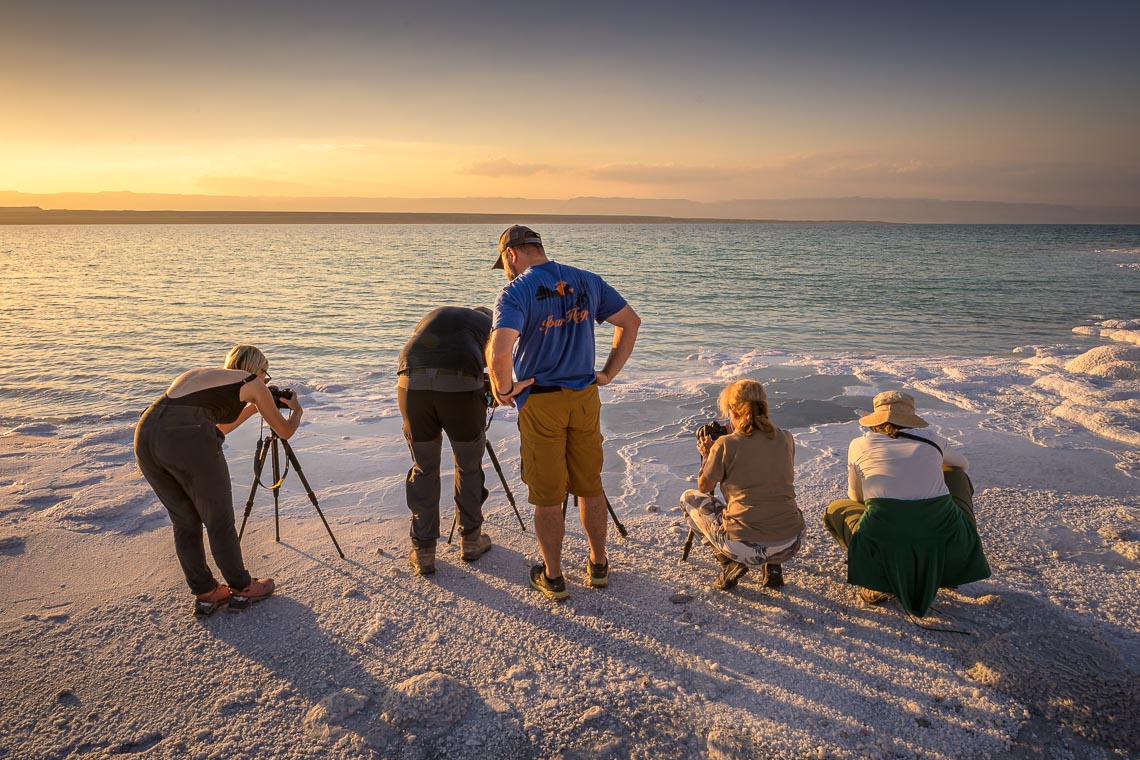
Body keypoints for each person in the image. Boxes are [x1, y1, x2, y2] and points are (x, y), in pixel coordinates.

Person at [488, 225, 640, 601]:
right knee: (590, 485)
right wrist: (607, 373)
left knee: (547, 494)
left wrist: (503, 389)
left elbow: (499, 352)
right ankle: (598, 565)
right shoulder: (586, 280)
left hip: (541, 401)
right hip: (585, 396)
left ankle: (554, 577)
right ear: (538, 247)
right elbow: (630, 322)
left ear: (511, 255)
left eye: (504, 263)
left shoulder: (515, 290)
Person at [134, 345, 301, 616]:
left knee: (185, 520)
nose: (265, 381)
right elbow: (283, 432)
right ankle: (243, 586)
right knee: (219, 519)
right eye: (265, 374)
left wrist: (255, 408)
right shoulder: (252, 382)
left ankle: (206, 592)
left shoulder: (206, 378)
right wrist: (297, 412)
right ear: (256, 370)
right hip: (187, 437)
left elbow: (214, 425)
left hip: (146, 435)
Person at [822, 390, 990, 617]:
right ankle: (948, 568)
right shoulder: (931, 438)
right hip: (943, 533)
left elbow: (856, 498)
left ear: (875, 419)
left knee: (835, 509)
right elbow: (962, 464)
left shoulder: (858, 444)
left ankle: (878, 579)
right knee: (956, 474)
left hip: (884, 535)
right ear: (911, 417)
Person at [680, 379, 804, 591]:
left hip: (744, 546)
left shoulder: (726, 444)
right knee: (773, 497)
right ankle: (773, 569)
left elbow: (704, 486)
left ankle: (730, 563)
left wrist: (709, 455)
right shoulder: (786, 438)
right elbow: (773, 474)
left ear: (732, 411)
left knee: (688, 499)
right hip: (790, 541)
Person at [398, 306, 495, 575]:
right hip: (460, 388)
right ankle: (471, 541)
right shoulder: (490, 326)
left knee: (424, 467)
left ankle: (424, 551)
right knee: (468, 465)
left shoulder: (436, 315)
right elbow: (496, 365)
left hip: (410, 382)